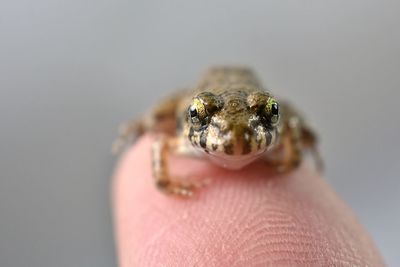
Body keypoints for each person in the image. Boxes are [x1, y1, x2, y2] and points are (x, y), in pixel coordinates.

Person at [113, 135, 384, 266]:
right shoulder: (185, 137)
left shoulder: (274, 127)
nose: (236, 135)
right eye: (200, 114)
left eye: (268, 114)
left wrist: (295, 151)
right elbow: (161, 144)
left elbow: (286, 122)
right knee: (157, 122)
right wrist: (165, 182)